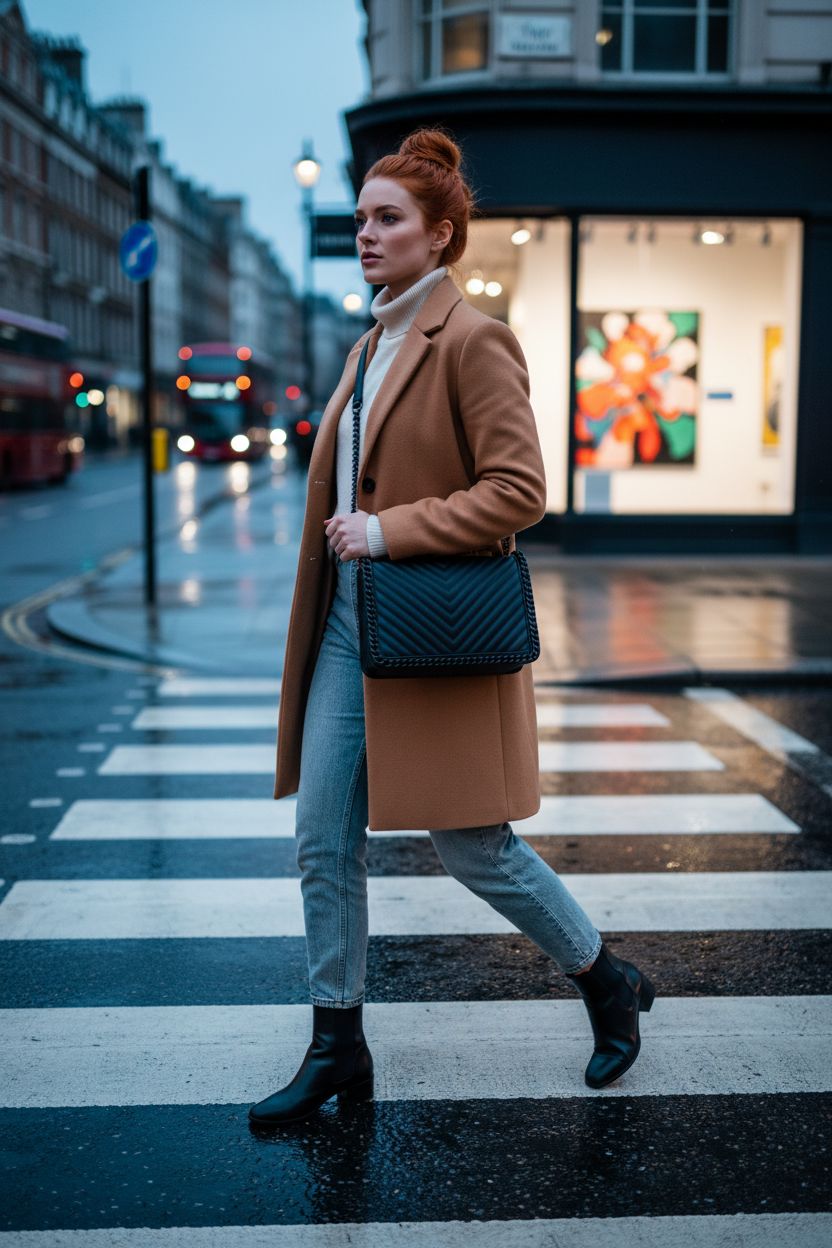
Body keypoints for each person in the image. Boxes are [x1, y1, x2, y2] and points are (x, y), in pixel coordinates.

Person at [249, 127, 654, 1128]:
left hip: (428, 631)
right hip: (348, 630)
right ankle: (336, 1046)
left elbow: (520, 490)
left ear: (441, 236)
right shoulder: (368, 340)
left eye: (387, 219)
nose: (366, 235)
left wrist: (390, 530)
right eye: (359, 219)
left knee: (472, 847)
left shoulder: (472, 339)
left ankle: (605, 978)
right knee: (320, 842)